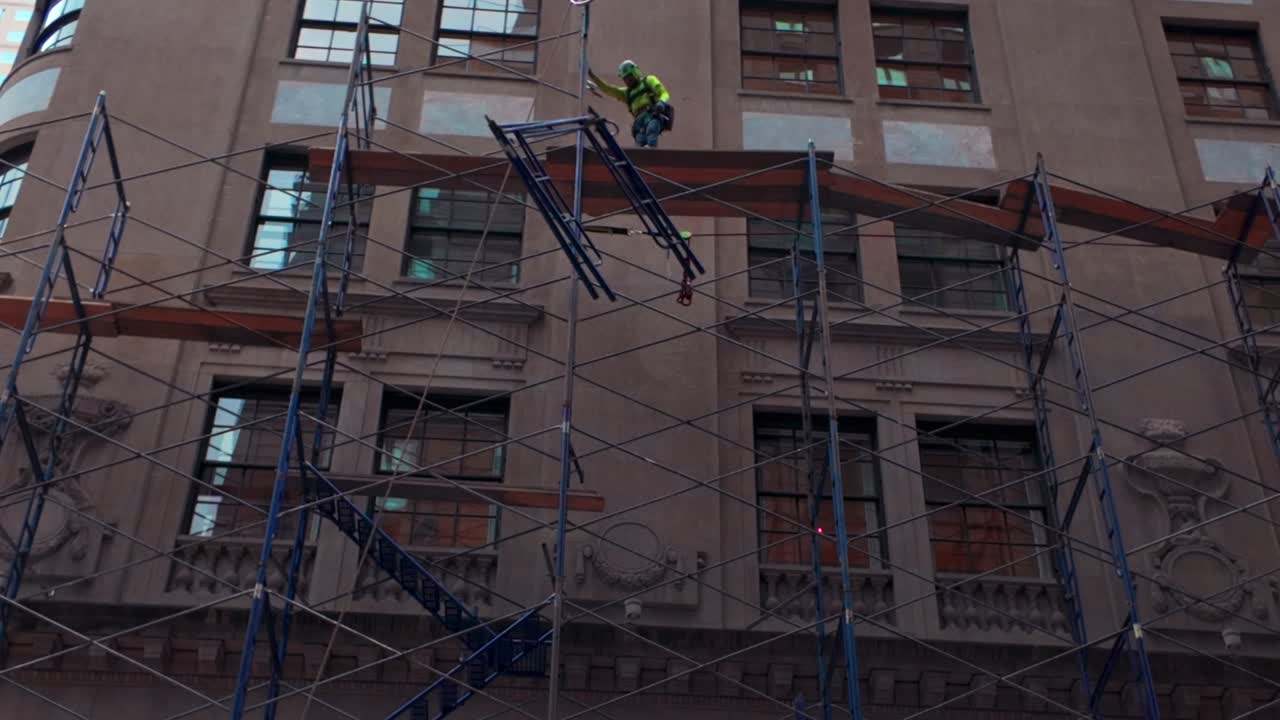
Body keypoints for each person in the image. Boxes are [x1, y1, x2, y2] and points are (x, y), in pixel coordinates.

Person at [588, 60, 673, 148]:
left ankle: (651, 149)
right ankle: (641, 155)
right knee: (640, 139)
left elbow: (664, 93)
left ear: (635, 72)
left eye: (630, 76)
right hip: (639, 120)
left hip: (652, 115)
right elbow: (609, 90)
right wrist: (593, 77)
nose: (628, 80)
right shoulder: (627, 93)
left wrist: (661, 102)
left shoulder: (649, 81)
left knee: (651, 129)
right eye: (625, 79)